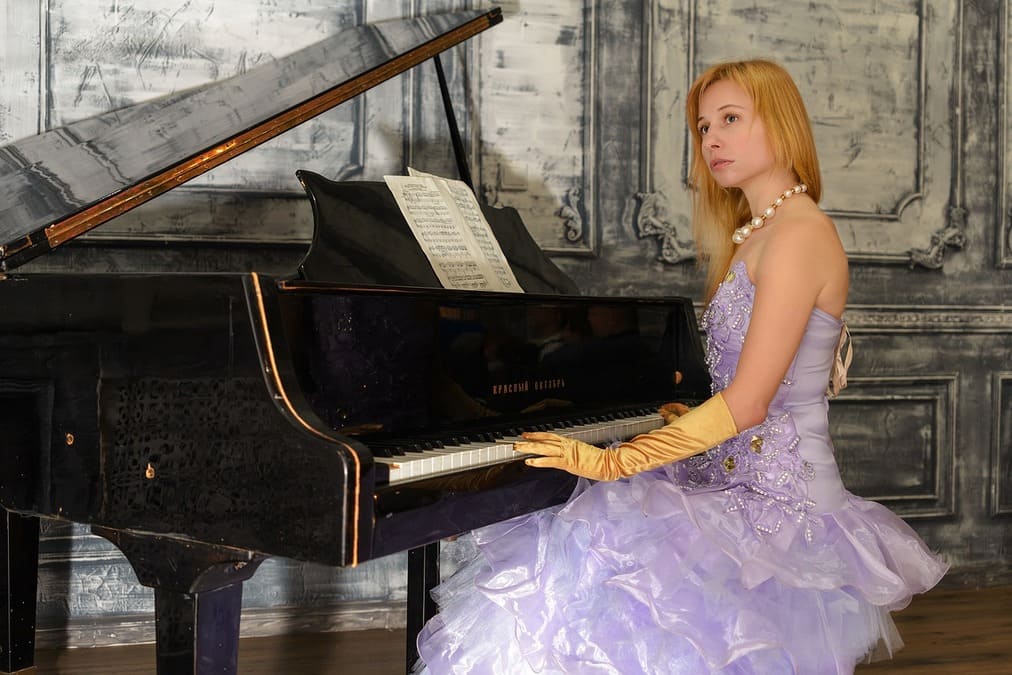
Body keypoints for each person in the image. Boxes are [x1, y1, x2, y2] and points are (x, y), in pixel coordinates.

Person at [413, 59, 947, 674]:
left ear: (782, 126)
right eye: (701, 127)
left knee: (594, 544)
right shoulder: (757, 233)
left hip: (779, 503)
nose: (711, 139)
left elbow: (748, 404)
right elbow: (737, 391)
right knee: (583, 549)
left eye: (730, 119)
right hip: (728, 479)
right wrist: (675, 421)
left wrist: (613, 460)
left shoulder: (799, 234)